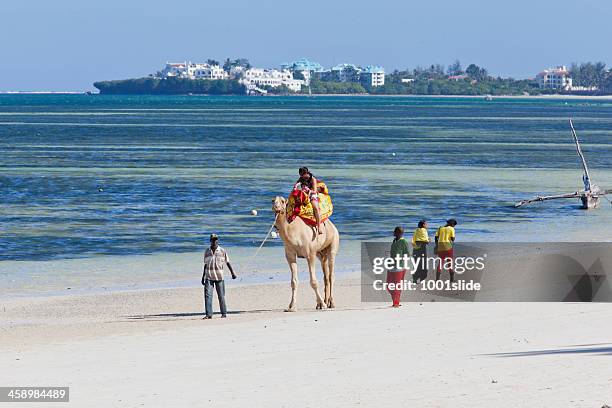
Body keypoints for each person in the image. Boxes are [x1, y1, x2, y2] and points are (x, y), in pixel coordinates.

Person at [202, 233, 236, 319]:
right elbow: (205, 264)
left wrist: (232, 273)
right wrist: (203, 276)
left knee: (221, 295)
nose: (214, 241)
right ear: (210, 241)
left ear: (218, 240)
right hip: (208, 276)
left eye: (216, 240)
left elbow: (227, 262)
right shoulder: (207, 251)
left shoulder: (222, 251)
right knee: (207, 295)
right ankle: (208, 314)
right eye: (213, 240)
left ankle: (224, 313)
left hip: (219, 276)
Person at [294, 167, 322, 234]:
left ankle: (319, 227)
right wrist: (295, 187)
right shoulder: (301, 178)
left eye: (302, 175)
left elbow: (315, 191)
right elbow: (297, 184)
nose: (301, 177)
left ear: (306, 173)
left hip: (312, 194)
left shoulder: (313, 179)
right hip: (303, 194)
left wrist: (309, 190)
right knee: (292, 204)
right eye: (300, 175)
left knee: (315, 208)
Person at [387, 226, 409, 307]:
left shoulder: (403, 242)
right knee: (388, 286)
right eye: (394, 231)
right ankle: (396, 300)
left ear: (400, 233)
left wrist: (399, 258)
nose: (393, 232)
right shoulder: (394, 240)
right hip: (391, 265)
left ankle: (396, 303)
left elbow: (407, 254)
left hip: (400, 266)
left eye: (395, 231)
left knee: (396, 285)